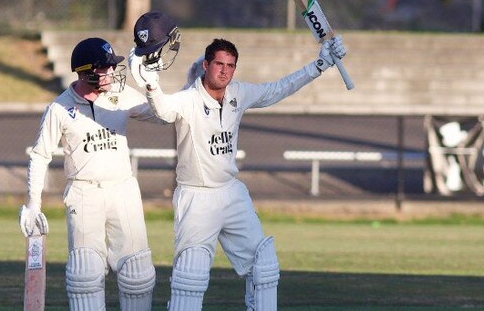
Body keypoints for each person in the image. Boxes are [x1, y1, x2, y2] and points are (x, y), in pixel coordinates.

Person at [131, 35, 347, 310]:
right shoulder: (187, 100)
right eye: (219, 64)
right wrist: (151, 83)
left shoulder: (238, 93)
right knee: (191, 276)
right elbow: (161, 110)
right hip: (197, 198)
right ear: (206, 65)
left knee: (263, 265)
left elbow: (277, 89)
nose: (224, 71)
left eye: (230, 66)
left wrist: (320, 63)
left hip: (231, 193)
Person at [19, 36, 167, 310]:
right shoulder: (60, 108)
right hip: (83, 192)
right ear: (86, 71)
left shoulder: (122, 95)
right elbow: (40, 155)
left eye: (112, 66)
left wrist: (152, 84)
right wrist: (33, 204)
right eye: (105, 67)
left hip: (122, 189)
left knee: (138, 273)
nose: (111, 72)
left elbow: (162, 115)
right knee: (85, 275)